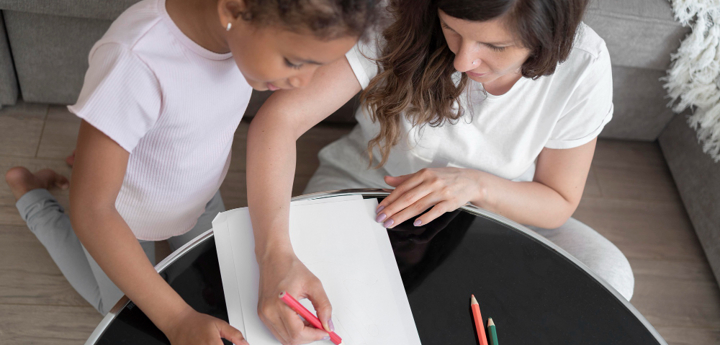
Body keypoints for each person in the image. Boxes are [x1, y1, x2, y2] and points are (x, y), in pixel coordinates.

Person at [245, 0, 635, 343]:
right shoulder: (399, 16)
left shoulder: (584, 63)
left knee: (610, 273)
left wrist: (474, 184)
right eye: (451, 28)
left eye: (495, 46)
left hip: (495, 203)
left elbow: (559, 200)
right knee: (322, 307)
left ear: (549, 34)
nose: (463, 62)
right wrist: (274, 255)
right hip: (369, 185)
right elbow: (278, 121)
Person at [4, 0, 377, 344]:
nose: (304, 84)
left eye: (318, 65)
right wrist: (177, 318)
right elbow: (92, 211)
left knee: (225, 283)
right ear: (234, 8)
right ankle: (31, 194)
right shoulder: (135, 61)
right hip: (120, 216)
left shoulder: (242, 36)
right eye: (296, 62)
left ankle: (96, 157)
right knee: (119, 307)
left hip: (199, 194)